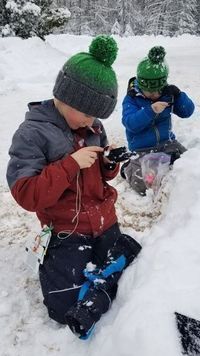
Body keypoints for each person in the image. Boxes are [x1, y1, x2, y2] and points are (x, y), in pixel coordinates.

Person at [6, 35, 142, 339]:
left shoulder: (92, 127)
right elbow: (27, 194)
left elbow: (100, 173)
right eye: (89, 113)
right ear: (68, 98)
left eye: (97, 116)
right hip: (68, 229)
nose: (94, 122)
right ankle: (98, 270)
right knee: (62, 307)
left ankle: (105, 275)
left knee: (132, 280)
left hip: (105, 220)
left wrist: (108, 161)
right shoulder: (32, 134)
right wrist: (70, 164)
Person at [121, 46, 195, 195]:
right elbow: (130, 124)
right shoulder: (132, 99)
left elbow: (187, 112)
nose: (155, 95)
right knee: (144, 185)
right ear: (141, 86)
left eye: (158, 91)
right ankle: (128, 168)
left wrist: (179, 95)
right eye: (150, 91)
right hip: (142, 150)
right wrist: (150, 111)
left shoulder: (166, 95)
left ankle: (170, 160)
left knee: (189, 165)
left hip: (167, 144)